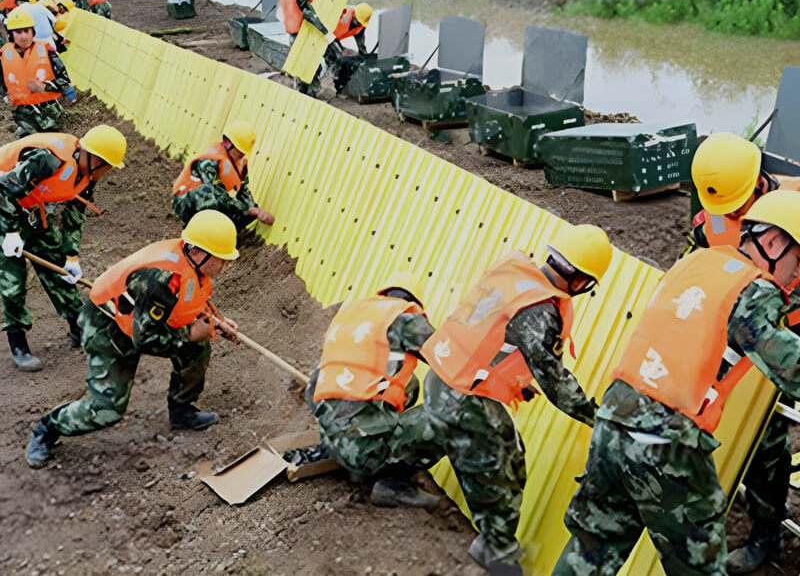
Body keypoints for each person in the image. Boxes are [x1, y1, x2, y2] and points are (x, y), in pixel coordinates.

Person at [553, 190, 800, 575]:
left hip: (613, 424)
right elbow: (790, 363)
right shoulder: (754, 288)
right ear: (771, 243)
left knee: (590, 551)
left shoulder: (696, 261)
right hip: (664, 446)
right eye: (798, 262)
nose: (796, 277)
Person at [418, 224, 613, 574]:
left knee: (439, 433)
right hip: (463, 395)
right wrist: (595, 416)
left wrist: (514, 381)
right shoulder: (541, 308)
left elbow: (493, 332)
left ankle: (392, 471)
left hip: (443, 374)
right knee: (506, 464)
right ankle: (495, 547)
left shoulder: (516, 273)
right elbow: (554, 379)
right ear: (582, 282)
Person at [25, 210, 242, 468]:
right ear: (197, 252)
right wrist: (194, 332)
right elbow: (147, 338)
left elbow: (187, 298)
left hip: (139, 320)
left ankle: (182, 411)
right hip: (108, 328)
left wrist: (213, 321)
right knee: (106, 410)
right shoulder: (161, 278)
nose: (224, 265)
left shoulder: (188, 259)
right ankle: (46, 429)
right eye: (221, 259)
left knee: (195, 347)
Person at [687, 132, 799, 573]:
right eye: (725, 208)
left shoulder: (794, 205)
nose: (733, 214)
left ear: (758, 180)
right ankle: (767, 528)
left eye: (740, 202)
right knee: (759, 438)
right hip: (739, 344)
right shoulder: (706, 221)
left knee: (770, 441)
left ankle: (768, 533)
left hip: (786, 343)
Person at [305, 272, 441, 508]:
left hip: (332, 441)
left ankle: (358, 443)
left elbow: (311, 391)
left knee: (408, 385)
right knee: (452, 415)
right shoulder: (405, 318)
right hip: (362, 455)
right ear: (413, 303)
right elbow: (454, 361)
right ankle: (392, 480)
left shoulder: (352, 315)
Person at [0, 126, 126, 371]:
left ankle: (78, 327)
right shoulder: (48, 159)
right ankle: (18, 344)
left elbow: (75, 215)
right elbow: (5, 186)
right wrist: (12, 231)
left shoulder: (88, 174)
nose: (108, 172)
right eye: (107, 165)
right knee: (12, 278)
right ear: (94, 157)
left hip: (30, 208)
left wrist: (71, 256)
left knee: (59, 269)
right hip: (4, 207)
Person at [172, 120, 274, 230]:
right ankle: (199, 229)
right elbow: (215, 191)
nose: (242, 154)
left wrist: (254, 210)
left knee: (247, 212)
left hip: (215, 200)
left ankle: (225, 233)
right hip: (186, 203)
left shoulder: (241, 163)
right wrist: (245, 209)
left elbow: (243, 189)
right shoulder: (209, 161)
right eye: (240, 150)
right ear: (228, 144)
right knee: (208, 193)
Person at [0, 7, 71, 137]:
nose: (23, 36)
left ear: (33, 32)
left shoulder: (48, 52)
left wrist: (45, 87)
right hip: (25, 119)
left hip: (50, 116)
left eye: (26, 31)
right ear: (11, 34)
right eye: (18, 32)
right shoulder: (5, 56)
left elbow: (65, 82)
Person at [278, 0, 331, 98]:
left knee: (300, 65)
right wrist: (325, 31)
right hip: (303, 34)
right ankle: (310, 93)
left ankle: (301, 91)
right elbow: (309, 13)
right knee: (311, 65)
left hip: (292, 35)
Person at [328, 2, 372, 96]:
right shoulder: (342, 14)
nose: (358, 24)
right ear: (354, 14)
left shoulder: (361, 25)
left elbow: (361, 43)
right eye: (357, 21)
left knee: (348, 58)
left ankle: (341, 81)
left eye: (360, 22)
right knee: (336, 57)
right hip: (329, 36)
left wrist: (365, 57)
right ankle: (333, 79)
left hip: (337, 37)